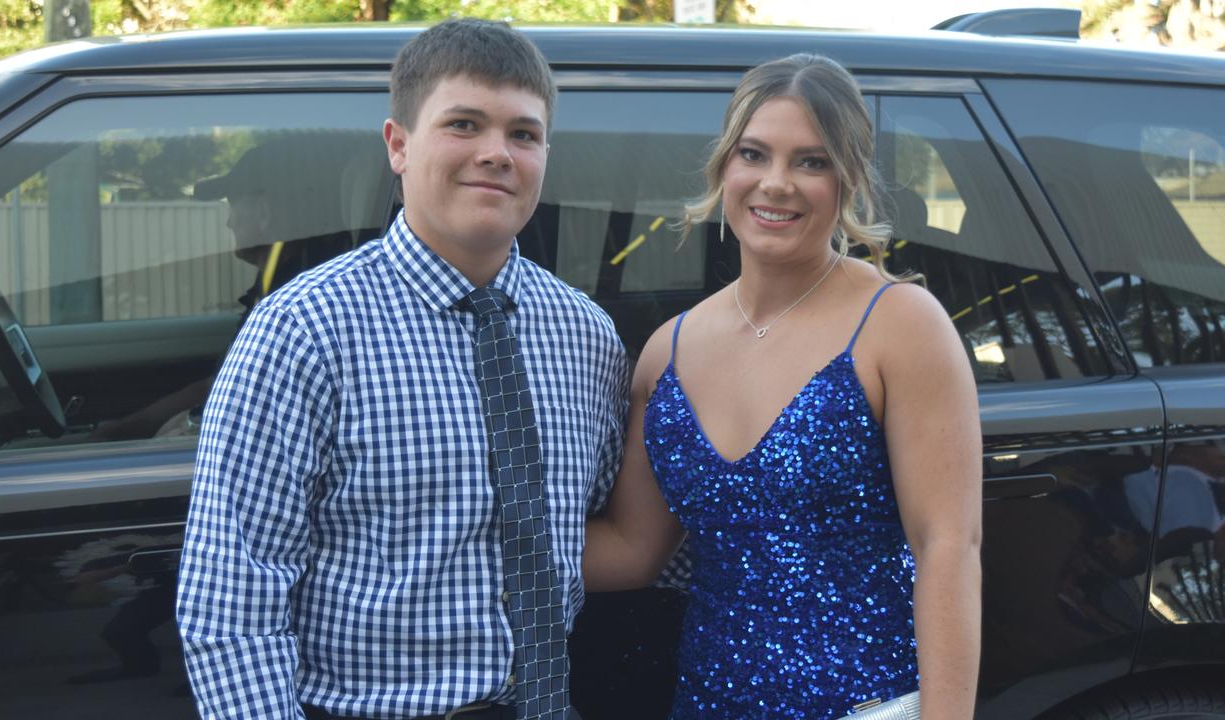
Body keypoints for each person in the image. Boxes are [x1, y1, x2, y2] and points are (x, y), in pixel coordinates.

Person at [176, 19, 628, 720]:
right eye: (463, 124)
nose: (495, 153)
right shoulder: (303, 331)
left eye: (523, 134)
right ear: (397, 145)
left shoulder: (586, 336)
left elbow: (591, 529)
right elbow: (233, 603)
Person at [583, 54, 983, 718]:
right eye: (754, 154)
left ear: (847, 178)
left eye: (811, 162)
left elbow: (947, 546)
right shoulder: (667, 354)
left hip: (864, 705)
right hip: (708, 702)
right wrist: (462, 544)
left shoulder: (899, 324)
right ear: (723, 166)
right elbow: (631, 550)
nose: (776, 184)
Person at [89, 137, 349, 441]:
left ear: (264, 212)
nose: (228, 221)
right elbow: (222, 383)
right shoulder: (279, 286)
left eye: (233, 205)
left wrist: (125, 432)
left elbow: (240, 395)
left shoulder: (291, 304)